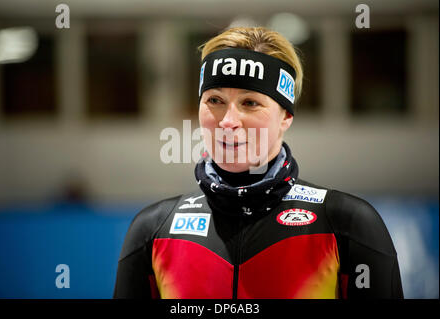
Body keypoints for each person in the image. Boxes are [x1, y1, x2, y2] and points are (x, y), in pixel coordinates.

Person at [113, 27, 403, 299]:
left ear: (285, 117)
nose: (227, 122)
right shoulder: (153, 229)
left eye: (250, 103)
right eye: (214, 100)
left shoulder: (347, 224)